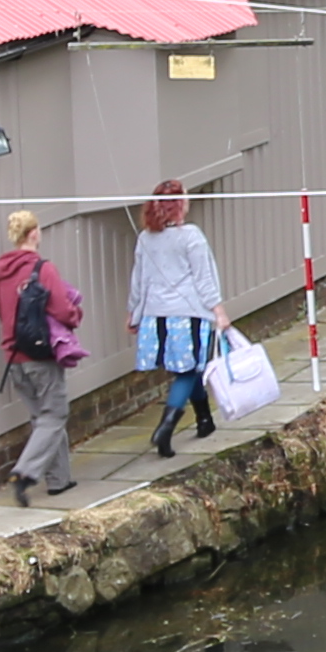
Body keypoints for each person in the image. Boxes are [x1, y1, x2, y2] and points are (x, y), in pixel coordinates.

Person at [0, 210, 84, 504]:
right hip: (40, 355)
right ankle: (24, 472)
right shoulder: (43, 268)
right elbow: (62, 309)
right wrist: (76, 313)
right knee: (55, 414)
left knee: (42, 417)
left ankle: (59, 479)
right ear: (33, 233)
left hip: (14, 355)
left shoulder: (1, 272)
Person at [129, 180, 227, 457]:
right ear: (181, 204)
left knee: (190, 366)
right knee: (187, 370)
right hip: (188, 314)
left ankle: (204, 420)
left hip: (156, 315)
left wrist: (134, 312)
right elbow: (204, 278)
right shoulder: (191, 236)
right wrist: (218, 310)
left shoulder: (145, 239)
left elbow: (139, 280)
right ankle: (165, 428)